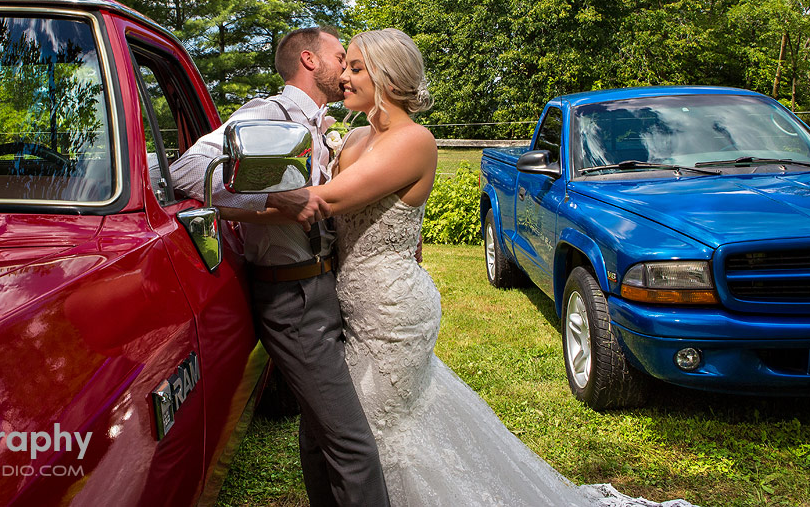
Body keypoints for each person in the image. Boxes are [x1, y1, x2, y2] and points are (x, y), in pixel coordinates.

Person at [269, 29, 685, 507]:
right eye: (346, 66)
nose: (343, 75)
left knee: (376, 431)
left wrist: (232, 203)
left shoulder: (414, 141)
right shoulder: (356, 137)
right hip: (350, 308)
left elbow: (326, 201)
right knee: (370, 426)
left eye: (356, 67)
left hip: (392, 311)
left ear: (386, 76)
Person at [168, 26, 390, 507]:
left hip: (321, 286)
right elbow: (187, 170)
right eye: (340, 58)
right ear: (309, 61)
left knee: (318, 433)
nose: (346, 67)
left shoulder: (321, 124)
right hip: (292, 298)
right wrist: (272, 194)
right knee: (352, 444)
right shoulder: (266, 114)